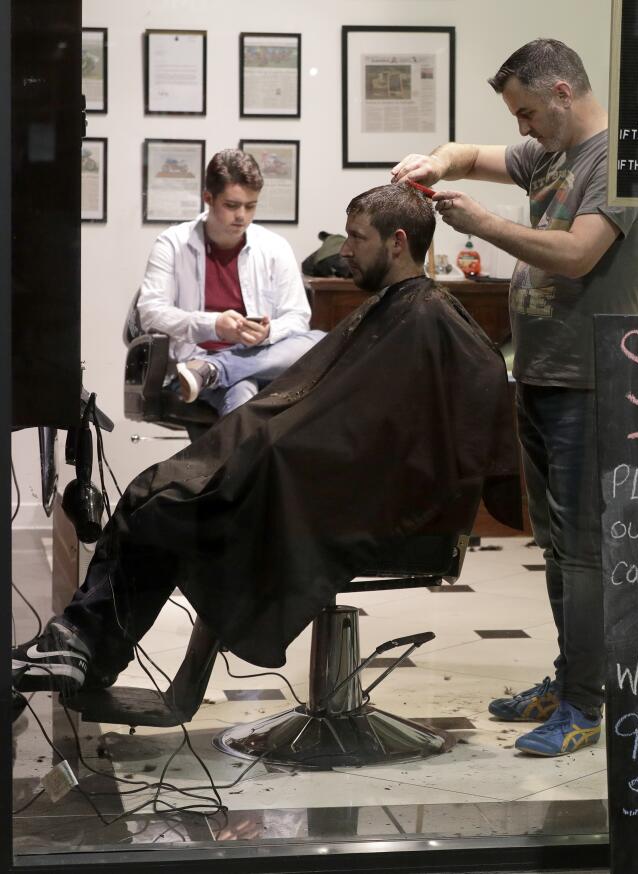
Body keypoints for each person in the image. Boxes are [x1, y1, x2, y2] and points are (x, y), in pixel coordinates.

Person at [12, 183, 520, 694]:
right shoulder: (399, 310)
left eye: (356, 237)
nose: (343, 250)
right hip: (336, 485)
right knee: (153, 492)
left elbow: (420, 422)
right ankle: (82, 645)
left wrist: (266, 454)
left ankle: (87, 647)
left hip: (364, 508)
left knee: (166, 510)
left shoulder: (429, 317)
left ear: (397, 242)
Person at [391, 38, 638, 757]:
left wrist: (481, 224)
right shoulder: (550, 152)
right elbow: (465, 152)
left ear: (565, 94)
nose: (523, 130)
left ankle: (585, 704)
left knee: (584, 554)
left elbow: (577, 254)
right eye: (517, 116)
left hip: (590, 382)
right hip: (539, 375)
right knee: (556, 546)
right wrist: (434, 164)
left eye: (530, 113)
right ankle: (570, 677)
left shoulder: (621, 162)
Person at [135, 148, 323, 416]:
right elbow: (150, 313)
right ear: (208, 198)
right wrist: (214, 326)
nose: (242, 217)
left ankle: (215, 370)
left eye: (251, 206)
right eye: (232, 205)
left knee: (318, 341)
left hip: (260, 358)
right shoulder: (172, 244)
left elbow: (298, 318)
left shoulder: (275, 247)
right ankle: (210, 369)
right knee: (243, 389)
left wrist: (268, 333)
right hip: (194, 359)